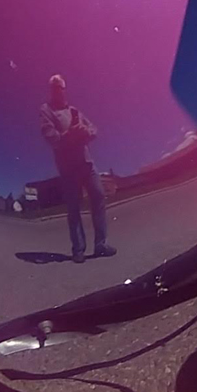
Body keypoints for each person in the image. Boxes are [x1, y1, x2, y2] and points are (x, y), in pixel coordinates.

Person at [40, 73, 112, 261]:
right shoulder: (46, 110)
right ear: (51, 90)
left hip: (86, 162)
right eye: (55, 87)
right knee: (73, 206)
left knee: (98, 195)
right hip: (67, 167)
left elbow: (94, 129)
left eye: (61, 87)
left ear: (64, 90)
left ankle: (101, 244)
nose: (58, 91)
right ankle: (78, 249)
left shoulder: (74, 111)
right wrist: (69, 134)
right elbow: (50, 136)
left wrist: (85, 131)